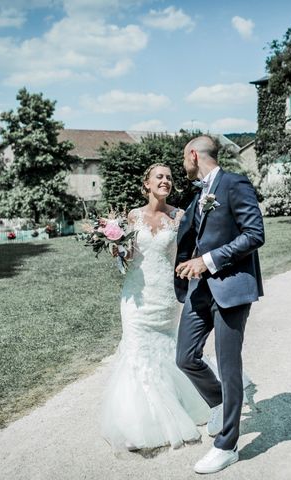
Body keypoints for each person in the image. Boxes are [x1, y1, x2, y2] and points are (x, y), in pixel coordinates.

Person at [100, 163, 211, 452]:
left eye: (169, 178)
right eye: (159, 177)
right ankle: (138, 425)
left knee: (167, 352)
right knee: (137, 354)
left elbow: (190, 251)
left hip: (167, 298)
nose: (165, 181)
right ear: (146, 184)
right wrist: (116, 247)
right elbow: (125, 257)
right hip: (136, 299)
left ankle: (183, 405)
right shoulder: (131, 216)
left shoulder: (180, 216)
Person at [175, 135, 265, 474]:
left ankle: (227, 446)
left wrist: (208, 260)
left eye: (184, 157)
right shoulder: (198, 192)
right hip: (200, 288)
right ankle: (219, 402)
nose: (183, 163)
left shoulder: (234, 184)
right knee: (185, 356)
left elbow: (255, 233)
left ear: (194, 155)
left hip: (230, 289)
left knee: (229, 367)